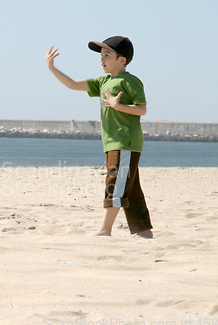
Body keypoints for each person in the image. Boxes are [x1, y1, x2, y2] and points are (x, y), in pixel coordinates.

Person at [45, 36, 153, 238]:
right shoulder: (103, 81)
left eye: (107, 55)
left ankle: (105, 230)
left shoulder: (130, 81)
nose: (101, 59)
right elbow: (73, 84)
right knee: (130, 187)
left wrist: (118, 106)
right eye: (101, 55)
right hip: (112, 143)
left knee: (115, 182)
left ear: (122, 60)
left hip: (125, 142)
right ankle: (144, 231)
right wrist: (52, 68)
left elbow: (142, 109)